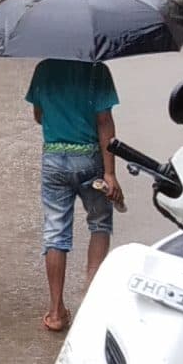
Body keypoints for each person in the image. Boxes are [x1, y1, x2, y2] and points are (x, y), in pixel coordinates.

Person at [26, 56, 125, 333]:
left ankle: (56, 312)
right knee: (100, 224)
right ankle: (90, 298)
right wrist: (110, 173)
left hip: (54, 159)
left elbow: (38, 115)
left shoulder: (43, 68)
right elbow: (104, 122)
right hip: (91, 159)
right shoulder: (98, 71)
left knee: (56, 232)